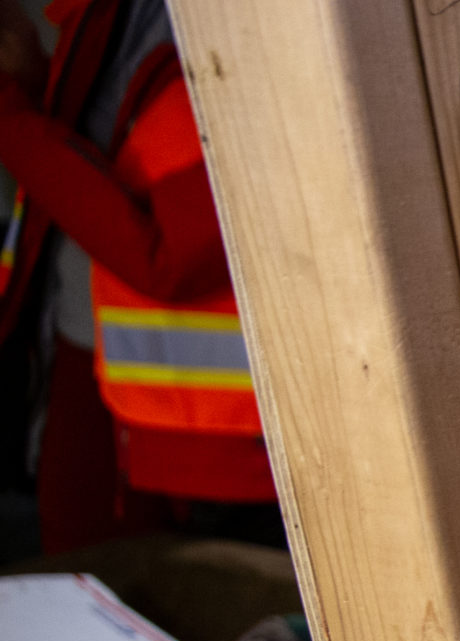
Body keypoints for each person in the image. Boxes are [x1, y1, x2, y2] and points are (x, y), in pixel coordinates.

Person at [0, 0, 275, 555]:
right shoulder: (107, 17)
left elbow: (170, 258)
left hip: (214, 439)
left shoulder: (246, 29)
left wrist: (10, 116)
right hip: (95, 374)